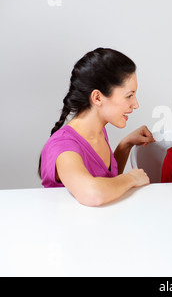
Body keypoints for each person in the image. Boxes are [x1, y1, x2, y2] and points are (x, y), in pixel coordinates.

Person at [39, 48, 155, 206]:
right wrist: (132, 178)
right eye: (129, 96)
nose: (136, 104)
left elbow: (108, 183)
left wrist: (125, 145)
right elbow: (92, 194)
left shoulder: (99, 131)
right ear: (98, 97)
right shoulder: (62, 147)